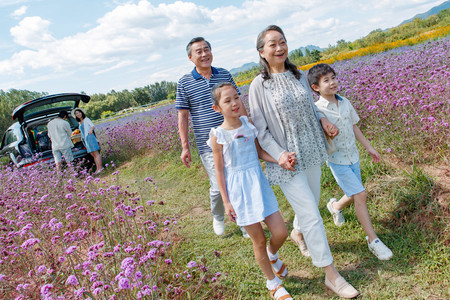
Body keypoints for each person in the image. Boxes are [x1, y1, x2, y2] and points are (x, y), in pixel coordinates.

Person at [249, 25, 359, 298]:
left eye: (282, 42)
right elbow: (260, 130)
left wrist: (323, 121)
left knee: (310, 205)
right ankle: (331, 275)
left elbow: (311, 108)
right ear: (262, 52)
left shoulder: (298, 76)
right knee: (311, 213)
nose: (279, 48)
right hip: (285, 161)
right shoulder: (258, 86)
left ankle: (298, 233)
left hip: (311, 150)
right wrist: (279, 155)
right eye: (272, 44)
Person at [207, 82, 292, 300]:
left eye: (236, 97)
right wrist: (226, 202)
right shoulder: (218, 135)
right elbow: (219, 171)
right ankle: (273, 283)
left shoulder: (248, 125)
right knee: (259, 241)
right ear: (218, 108)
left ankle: (272, 255)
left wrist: (280, 160)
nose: (235, 103)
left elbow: (260, 153)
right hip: (238, 192)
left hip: (259, 184)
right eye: (227, 100)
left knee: (280, 232)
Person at [308, 63, 393, 260]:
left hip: (353, 156)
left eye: (333, 77)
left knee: (354, 192)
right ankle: (373, 240)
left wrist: (369, 148)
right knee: (360, 194)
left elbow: (354, 127)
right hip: (337, 160)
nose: (333, 82)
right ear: (315, 88)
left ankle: (335, 207)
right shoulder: (317, 110)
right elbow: (316, 126)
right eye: (326, 80)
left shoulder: (345, 102)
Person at [176, 37, 248, 237]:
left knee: (236, 179)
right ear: (190, 57)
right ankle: (218, 215)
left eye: (206, 49)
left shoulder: (224, 74)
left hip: (233, 136)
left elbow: (237, 101)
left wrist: (247, 125)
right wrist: (185, 146)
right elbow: (183, 115)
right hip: (208, 143)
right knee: (218, 184)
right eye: (198, 51)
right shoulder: (184, 83)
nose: (204, 54)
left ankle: (243, 221)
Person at [72, 108, 103, 174]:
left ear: (82, 113)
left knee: (96, 153)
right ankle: (97, 169)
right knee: (92, 154)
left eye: (79, 112)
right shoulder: (80, 123)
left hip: (90, 138)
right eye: (76, 114)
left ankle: (100, 167)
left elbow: (92, 126)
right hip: (86, 140)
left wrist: (91, 130)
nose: (78, 114)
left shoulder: (86, 119)